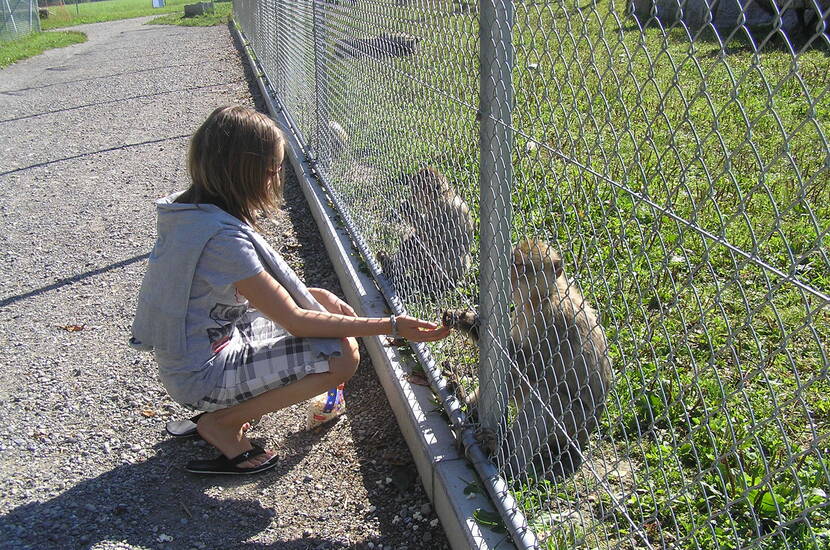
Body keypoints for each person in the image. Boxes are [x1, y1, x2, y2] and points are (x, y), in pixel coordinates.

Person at [130, 105, 450, 475]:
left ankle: (228, 408)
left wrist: (355, 321)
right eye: (274, 168)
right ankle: (222, 422)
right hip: (201, 373)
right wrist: (391, 326)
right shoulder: (224, 242)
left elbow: (298, 306)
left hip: (199, 344)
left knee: (324, 301)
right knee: (342, 358)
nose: (279, 176)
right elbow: (297, 321)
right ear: (246, 174)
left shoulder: (192, 211)